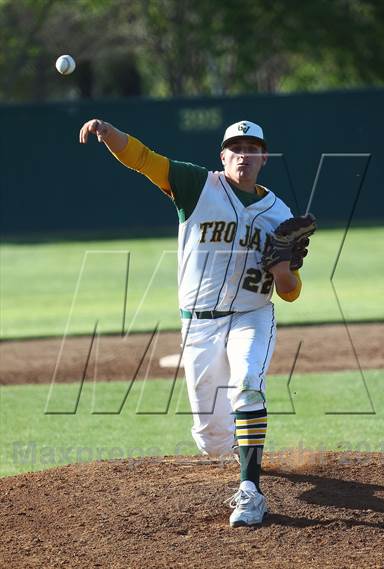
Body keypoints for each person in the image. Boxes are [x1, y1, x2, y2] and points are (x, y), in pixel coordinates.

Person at [79, 119, 308, 527]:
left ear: (264, 157)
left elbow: (290, 291)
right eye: (235, 147)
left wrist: (283, 269)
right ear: (223, 157)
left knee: (247, 385)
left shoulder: (280, 214)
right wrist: (109, 134)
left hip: (252, 316)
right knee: (211, 439)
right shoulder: (198, 185)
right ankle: (239, 445)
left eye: (252, 147)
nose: (244, 154)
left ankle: (251, 491)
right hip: (199, 325)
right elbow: (146, 161)